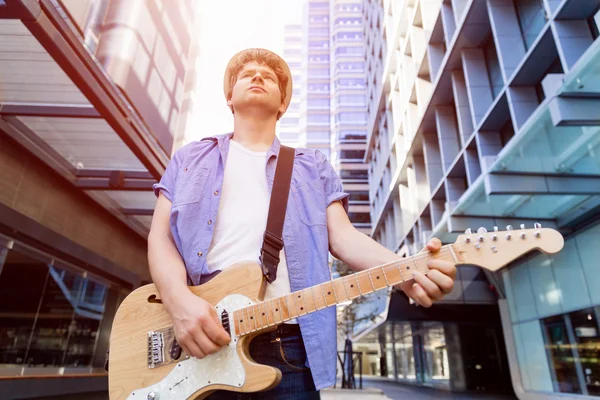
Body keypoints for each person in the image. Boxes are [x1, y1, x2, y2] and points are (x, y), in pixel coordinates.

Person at [148, 48, 457, 399]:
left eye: (270, 76)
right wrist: (178, 302)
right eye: (246, 73)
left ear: (283, 104)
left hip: (288, 349)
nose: (258, 76)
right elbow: (160, 238)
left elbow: (344, 238)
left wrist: (406, 270)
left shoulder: (312, 166)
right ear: (229, 98)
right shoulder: (189, 158)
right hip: (196, 341)